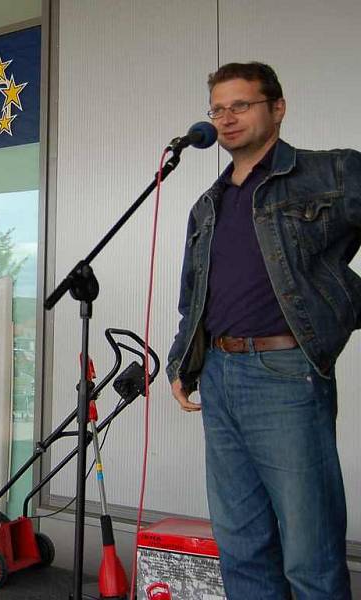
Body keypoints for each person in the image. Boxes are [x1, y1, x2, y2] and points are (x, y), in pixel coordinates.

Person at [167, 62, 357, 599]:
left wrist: (346, 300)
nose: (226, 119)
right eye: (218, 108)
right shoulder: (208, 204)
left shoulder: (333, 173)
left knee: (310, 551)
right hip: (220, 376)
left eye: (241, 105)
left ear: (277, 107)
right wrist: (182, 360)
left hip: (285, 374)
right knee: (242, 547)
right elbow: (194, 297)